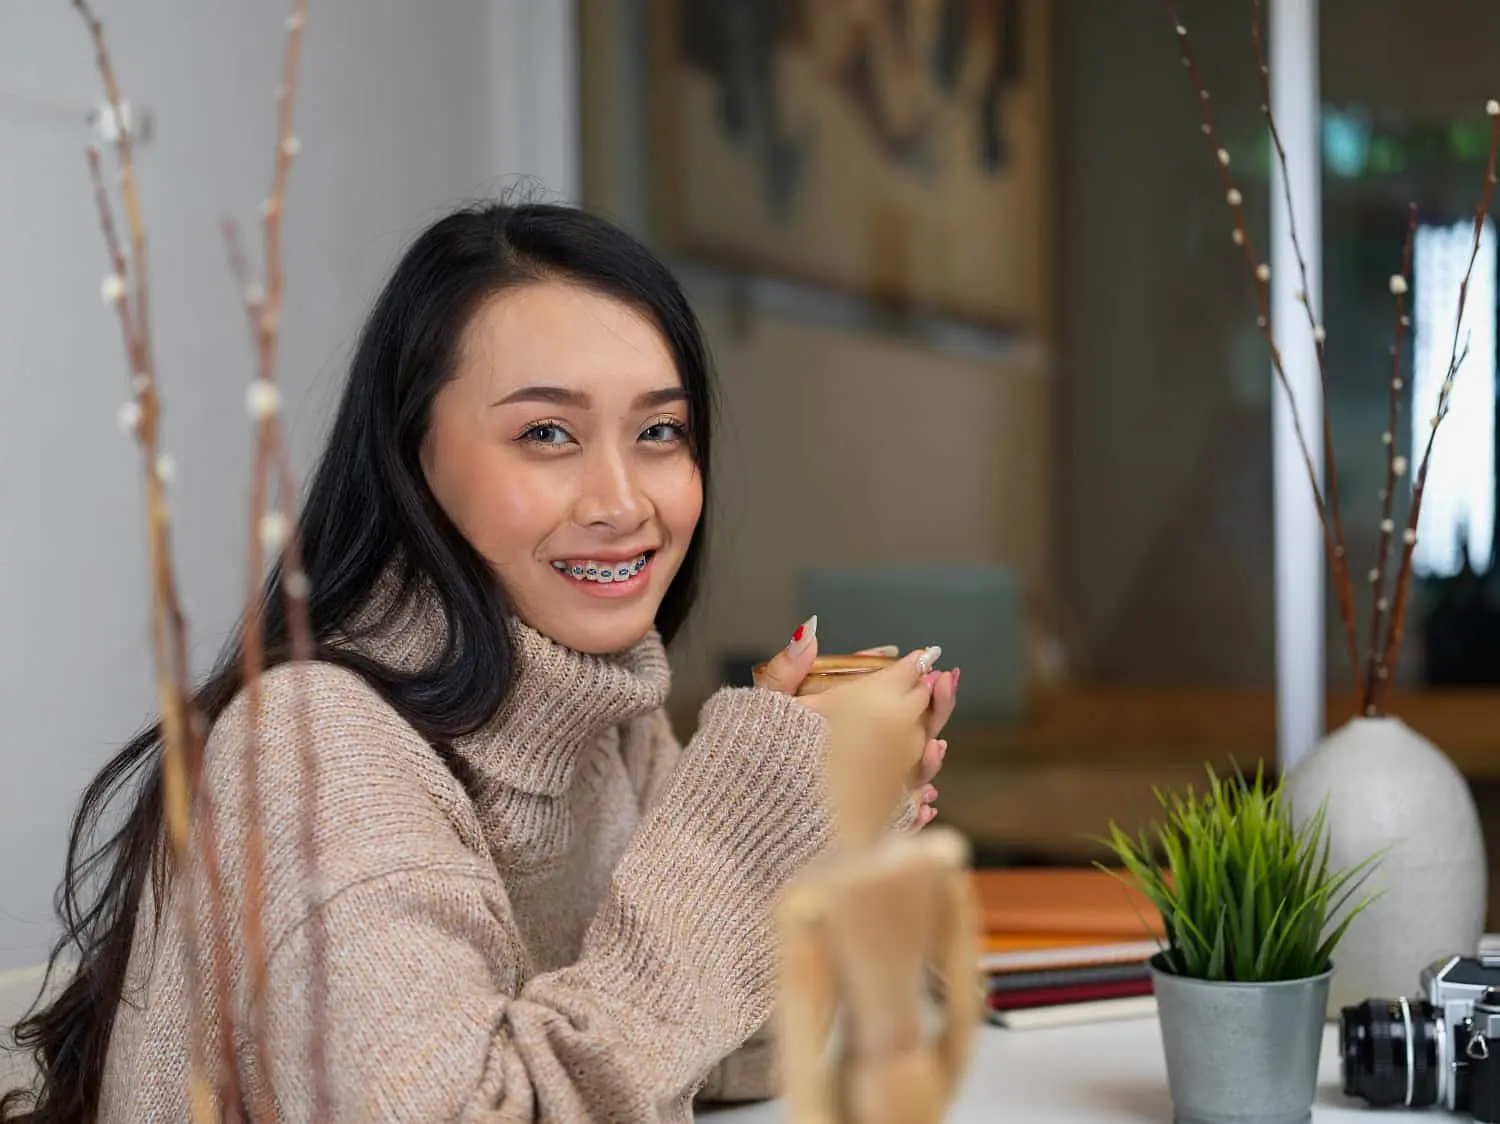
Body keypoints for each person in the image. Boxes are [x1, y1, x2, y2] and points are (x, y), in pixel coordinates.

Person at [2, 202, 957, 1123]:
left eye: (659, 431)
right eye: (547, 433)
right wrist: (730, 840)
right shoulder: (313, 746)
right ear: (414, 458)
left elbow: (729, 1064)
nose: (624, 500)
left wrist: (810, 842)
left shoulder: (606, 713)